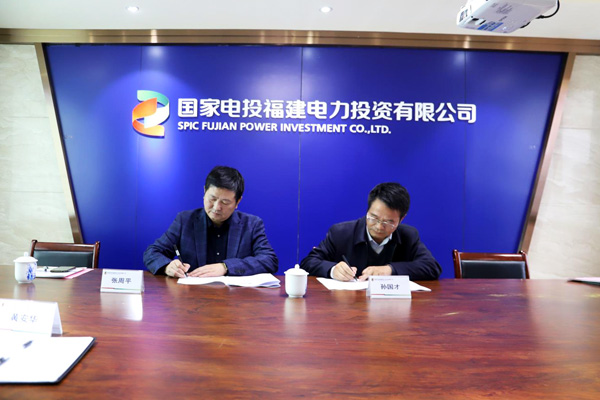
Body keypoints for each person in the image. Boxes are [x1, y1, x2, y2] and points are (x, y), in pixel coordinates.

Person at [144, 166, 278, 277]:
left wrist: (226, 267)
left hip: (235, 298)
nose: (216, 207)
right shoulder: (185, 220)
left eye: (225, 202)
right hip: (192, 296)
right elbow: (152, 252)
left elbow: (269, 260)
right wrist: (167, 266)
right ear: (204, 192)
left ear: (238, 202)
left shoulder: (252, 224)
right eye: (212, 199)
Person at [300, 182, 441, 281]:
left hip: (392, 308)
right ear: (367, 210)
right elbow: (308, 262)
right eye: (374, 218)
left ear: (401, 218)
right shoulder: (341, 233)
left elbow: (432, 267)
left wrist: (390, 270)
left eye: (389, 222)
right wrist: (333, 270)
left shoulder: (408, 236)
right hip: (348, 307)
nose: (379, 227)